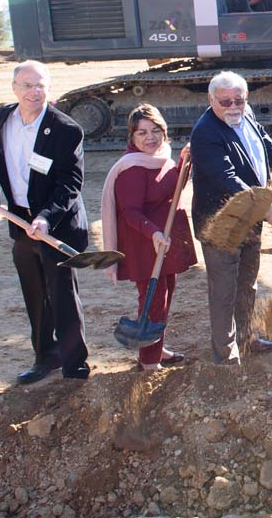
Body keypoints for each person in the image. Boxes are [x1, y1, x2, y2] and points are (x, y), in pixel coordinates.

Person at [0, 60, 90, 384]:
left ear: (49, 89)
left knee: (62, 296)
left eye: (40, 85)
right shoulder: (5, 117)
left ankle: (75, 366)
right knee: (35, 296)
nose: (33, 91)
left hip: (55, 225)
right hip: (21, 223)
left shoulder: (67, 129)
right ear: (15, 88)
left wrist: (45, 218)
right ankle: (45, 357)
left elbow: (70, 183)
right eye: (26, 85)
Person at [190, 71, 272, 365]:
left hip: (250, 220)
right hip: (222, 224)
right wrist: (264, 207)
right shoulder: (205, 132)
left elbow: (261, 139)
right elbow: (226, 178)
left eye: (238, 101)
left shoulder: (246, 113)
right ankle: (225, 353)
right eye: (224, 101)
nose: (232, 107)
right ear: (210, 99)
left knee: (247, 283)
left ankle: (247, 338)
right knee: (224, 291)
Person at [100, 104, 197, 372]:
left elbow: (173, 187)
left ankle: (156, 346)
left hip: (163, 240)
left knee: (165, 293)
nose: (150, 138)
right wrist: (152, 232)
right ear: (131, 136)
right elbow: (130, 212)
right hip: (144, 243)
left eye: (155, 131)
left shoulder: (162, 159)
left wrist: (183, 162)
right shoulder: (131, 168)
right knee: (153, 298)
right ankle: (149, 360)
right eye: (142, 132)